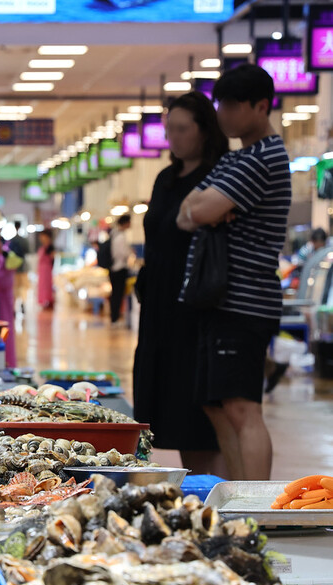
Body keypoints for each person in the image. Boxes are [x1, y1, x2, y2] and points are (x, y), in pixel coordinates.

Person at [176, 64, 292, 481]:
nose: (223, 113)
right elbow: (185, 214)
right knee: (218, 406)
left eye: (232, 105)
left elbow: (200, 209)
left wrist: (206, 208)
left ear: (261, 106)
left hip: (245, 300)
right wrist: (203, 209)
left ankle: (260, 507)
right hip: (220, 300)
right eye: (219, 103)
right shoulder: (238, 158)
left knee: (243, 408)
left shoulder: (263, 157)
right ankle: (240, 497)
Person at [133, 92, 230, 477]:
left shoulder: (217, 178)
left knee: (196, 421)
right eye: (168, 128)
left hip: (194, 307)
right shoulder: (165, 178)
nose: (172, 137)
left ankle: (214, 494)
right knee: (163, 409)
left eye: (181, 128)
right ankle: (200, 492)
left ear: (204, 130)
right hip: (158, 307)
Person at [0, 241, 17, 367]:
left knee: (4, 333)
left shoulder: (2, 259)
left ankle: (6, 362)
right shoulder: (8, 258)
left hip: (2, 301)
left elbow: (1, 280)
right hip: (5, 300)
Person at [108, 215, 132, 325]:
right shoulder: (121, 237)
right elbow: (123, 253)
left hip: (113, 268)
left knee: (115, 294)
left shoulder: (114, 234)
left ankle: (114, 317)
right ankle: (115, 318)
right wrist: (130, 252)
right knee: (118, 294)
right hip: (119, 268)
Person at [9, 221, 30, 313]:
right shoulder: (24, 240)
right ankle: (23, 304)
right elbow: (28, 251)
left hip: (14, 267)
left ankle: (14, 306)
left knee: (15, 287)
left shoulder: (11, 240)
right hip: (23, 267)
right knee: (23, 287)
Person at [36, 229, 55, 310]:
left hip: (47, 269)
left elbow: (52, 258)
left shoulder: (50, 247)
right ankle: (44, 301)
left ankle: (48, 300)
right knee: (42, 286)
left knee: (47, 286)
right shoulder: (43, 246)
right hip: (42, 269)